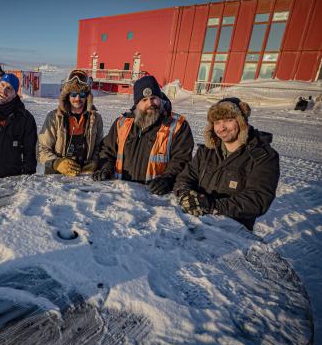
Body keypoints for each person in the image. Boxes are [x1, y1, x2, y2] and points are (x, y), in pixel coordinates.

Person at [173, 97, 280, 231]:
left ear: (241, 122)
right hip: (197, 223)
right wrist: (186, 196)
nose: (222, 128)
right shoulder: (206, 151)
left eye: (229, 120)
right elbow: (184, 178)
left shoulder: (264, 156)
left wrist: (212, 205)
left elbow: (257, 200)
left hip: (232, 232)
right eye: (217, 122)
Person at [92, 75, 194, 195]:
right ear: (137, 104)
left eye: (154, 98)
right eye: (144, 100)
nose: (150, 103)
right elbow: (107, 150)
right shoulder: (122, 123)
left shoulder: (177, 126)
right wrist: (106, 167)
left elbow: (181, 160)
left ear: (160, 98)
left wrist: (168, 179)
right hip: (121, 195)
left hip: (154, 199)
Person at [37, 69, 103, 176]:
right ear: (67, 95)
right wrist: (56, 163)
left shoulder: (95, 119)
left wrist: (95, 162)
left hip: (83, 176)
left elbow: (99, 147)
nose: (77, 98)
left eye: (82, 94)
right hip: (56, 177)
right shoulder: (54, 117)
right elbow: (42, 149)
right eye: (73, 94)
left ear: (87, 96)